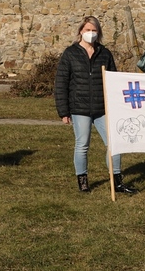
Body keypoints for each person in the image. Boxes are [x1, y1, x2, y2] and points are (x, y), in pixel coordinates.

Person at [54, 16, 135, 195]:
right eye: (87, 30)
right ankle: (82, 180)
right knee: (82, 144)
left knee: (114, 143)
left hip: (102, 108)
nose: (90, 33)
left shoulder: (104, 53)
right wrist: (63, 111)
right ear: (81, 31)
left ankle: (117, 180)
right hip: (80, 108)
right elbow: (61, 83)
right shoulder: (70, 53)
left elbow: (114, 81)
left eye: (94, 30)